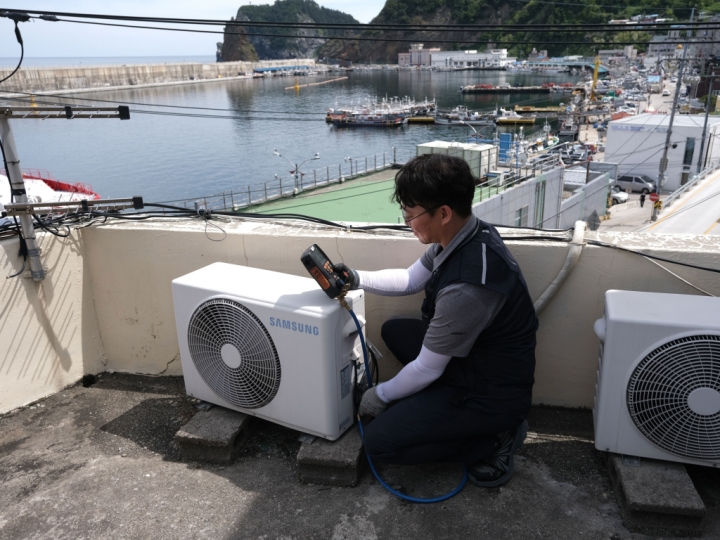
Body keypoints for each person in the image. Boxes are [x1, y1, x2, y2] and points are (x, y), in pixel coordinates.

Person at [334, 153, 539, 488]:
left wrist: (379, 395)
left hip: (488, 393)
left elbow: (427, 368)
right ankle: (439, 407)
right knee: (395, 331)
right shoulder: (465, 235)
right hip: (472, 359)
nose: (407, 223)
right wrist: (356, 278)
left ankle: (497, 438)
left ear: (444, 213)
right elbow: (410, 279)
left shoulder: (468, 288)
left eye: (411, 215)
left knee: (379, 442)